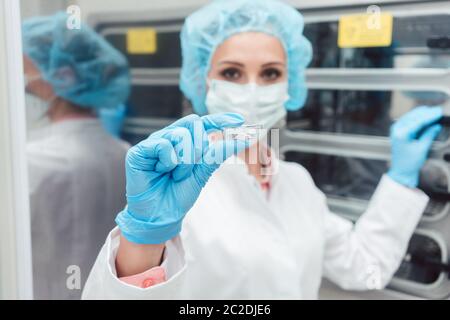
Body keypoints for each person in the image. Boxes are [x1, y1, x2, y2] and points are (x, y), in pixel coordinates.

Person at [82, 0, 443, 299]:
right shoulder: (179, 186)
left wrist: (400, 179)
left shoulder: (297, 182)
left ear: (291, 84)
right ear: (202, 80)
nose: (253, 89)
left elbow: (364, 266)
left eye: (270, 73)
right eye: (232, 73)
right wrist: (144, 236)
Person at [22, 12, 131, 299]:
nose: (24, 85)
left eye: (26, 75)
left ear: (61, 77)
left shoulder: (27, 163)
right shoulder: (127, 156)